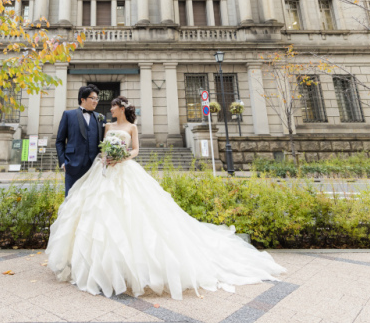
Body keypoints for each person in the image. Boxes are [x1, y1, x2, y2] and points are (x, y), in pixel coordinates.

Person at [46, 95, 285, 300]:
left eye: (112, 106)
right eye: (102, 103)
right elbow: (98, 147)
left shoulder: (132, 128)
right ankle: (98, 266)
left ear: (121, 108)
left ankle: (129, 266)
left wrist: (123, 157)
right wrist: (105, 157)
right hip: (104, 171)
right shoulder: (106, 126)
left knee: (133, 215)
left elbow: (136, 149)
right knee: (98, 216)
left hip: (125, 170)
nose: (108, 108)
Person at [55, 84, 105, 196]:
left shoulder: (100, 117)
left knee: (91, 200)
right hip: (73, 165)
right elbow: (59, 141)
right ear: (83, 99)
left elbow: (103, 141)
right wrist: (63, 163)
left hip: (94, 167)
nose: (96, 101)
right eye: (92, 98)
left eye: (97, 99)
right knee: (71, 199)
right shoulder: (68, 115)